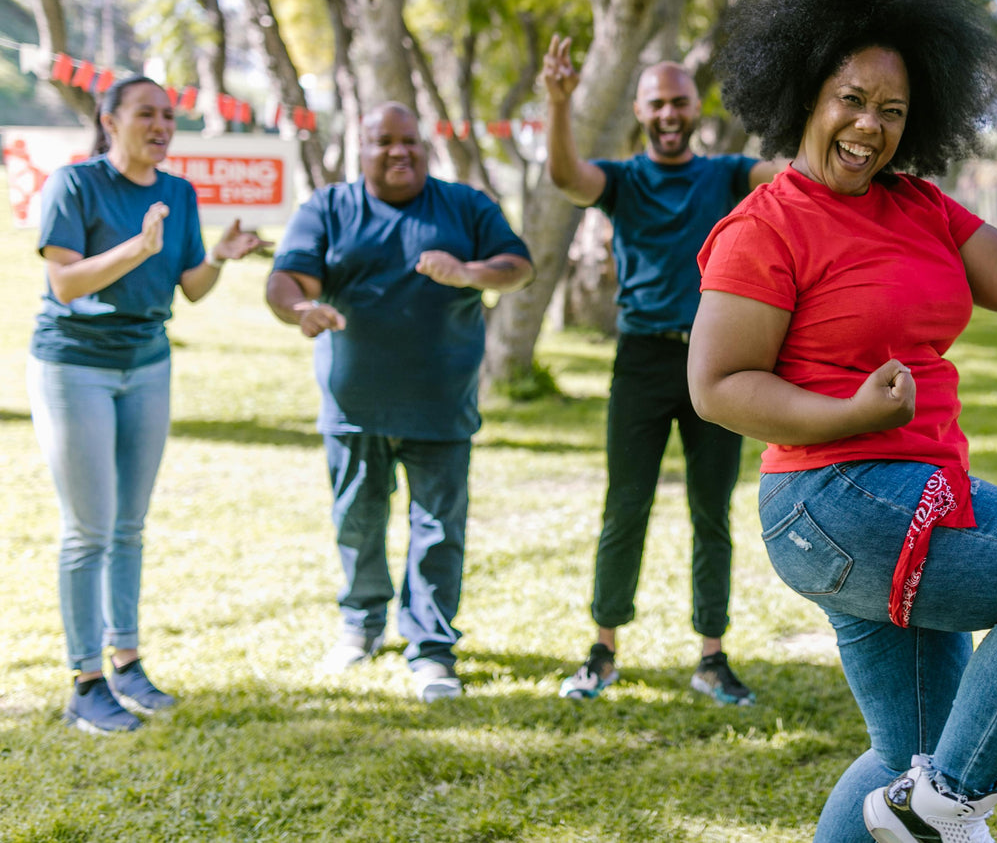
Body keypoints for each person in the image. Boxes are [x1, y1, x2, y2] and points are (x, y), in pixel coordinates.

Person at [687, 0, 997, 843]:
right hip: (836, 498)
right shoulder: (766, 227)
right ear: (806, 94)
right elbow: (718, 384)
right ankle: (944, 808)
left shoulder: (919, 204)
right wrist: (850, 410)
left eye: (892, 111)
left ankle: (921, 796)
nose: (870, 126)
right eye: (851, 100)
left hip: (899, 494)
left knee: (906, 750)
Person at [541, 40, 783, 706]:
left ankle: (712, 657)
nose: (669, 113)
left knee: (712, 511)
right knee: (626, 505)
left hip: (718, 359)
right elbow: (566, 177)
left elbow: (795, 173)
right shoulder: (623, 181)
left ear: (696, 108)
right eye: (657, 103)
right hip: (642, 359)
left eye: (679, 101)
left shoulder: (728, 174)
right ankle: (602, 650)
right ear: (641, 111)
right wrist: (558, 105)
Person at [266, 103, 533, 702]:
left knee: (438, 530)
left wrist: (468, 272)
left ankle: (432, 648)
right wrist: (300, 309)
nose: (399, 151)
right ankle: (361, 625)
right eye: (383, 141)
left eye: (409, 140)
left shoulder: (464, 205)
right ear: (359, 148)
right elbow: (288, 277)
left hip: (441, 403)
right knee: (357, 521)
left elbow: (517, 268)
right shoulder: (329, 208)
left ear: (424, 144)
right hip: (354, 405)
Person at [28, 75, 267, 733]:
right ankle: (86, 682)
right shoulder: (74, 185)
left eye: (169, 115)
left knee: (129, 525)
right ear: (109, 121)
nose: (162, 126)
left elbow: (191, 286)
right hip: (75, 364)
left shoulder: (179, 193)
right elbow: (64, 281)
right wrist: (139, 245)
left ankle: (127, 663)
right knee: (89, 529)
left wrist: (218, 255)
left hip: (148, 364)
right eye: (146, 114)